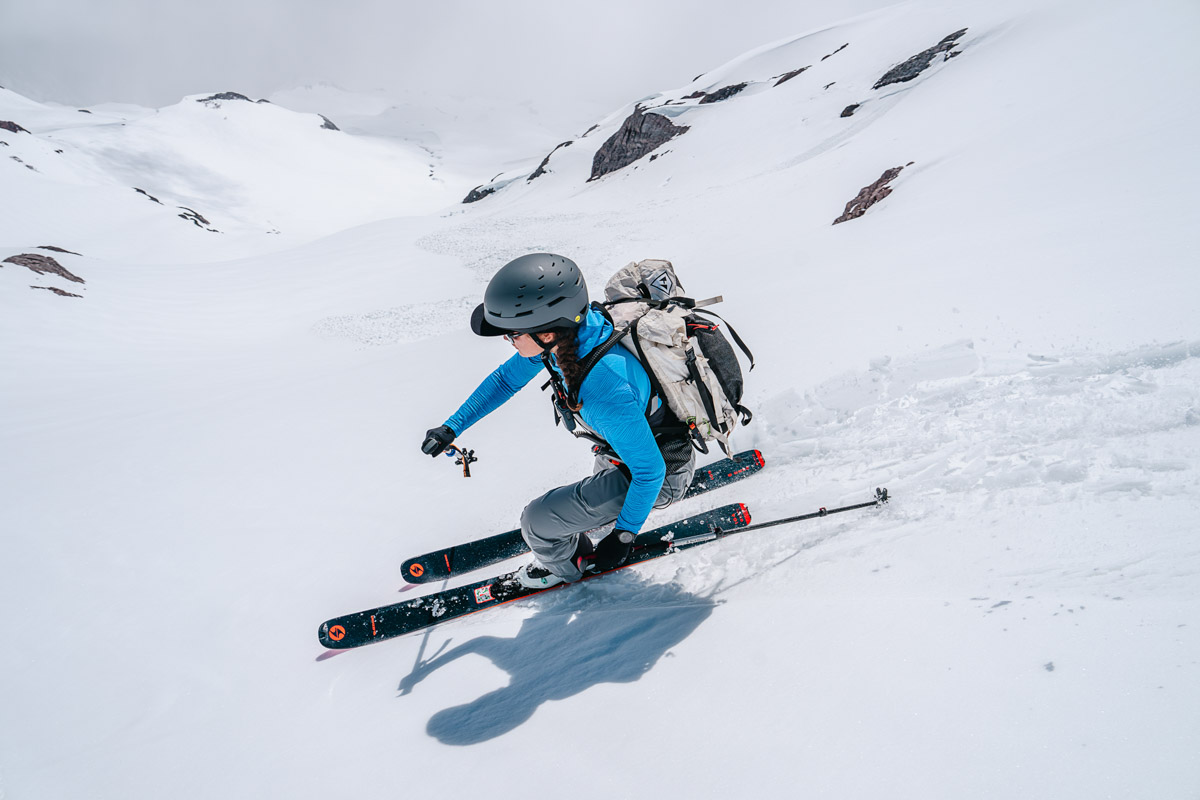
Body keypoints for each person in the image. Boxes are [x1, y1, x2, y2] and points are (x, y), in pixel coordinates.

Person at [421, 253, 696, 589]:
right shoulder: (578, 335)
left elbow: (649, 471)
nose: (509, 340)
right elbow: (506, 380)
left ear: (548, 333)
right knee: (589, 498)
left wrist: (624, 536)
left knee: (536, 522)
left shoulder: (603, 389)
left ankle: (562, 569)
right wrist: (452, 427)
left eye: (513, 334)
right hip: (623, 450)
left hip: (661, 472)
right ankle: (601, 516)